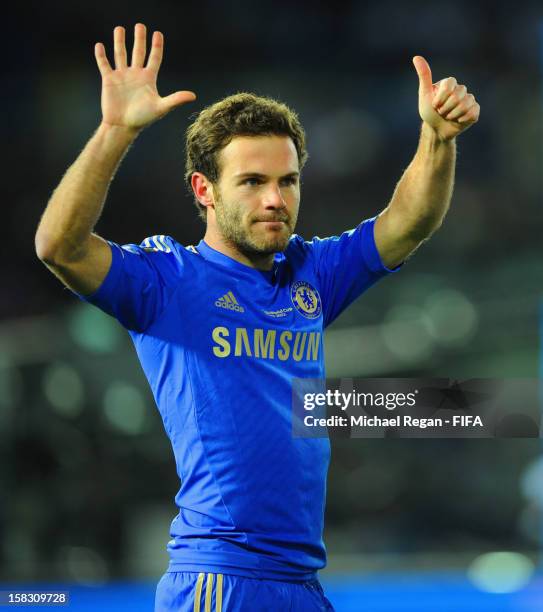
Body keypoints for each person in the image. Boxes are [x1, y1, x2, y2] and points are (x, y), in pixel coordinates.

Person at [35, 22, 479, 612]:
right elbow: (58, 246)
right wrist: (116, 131)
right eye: (252, 182)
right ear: (205, 190)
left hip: (301, 582)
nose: (275, 199)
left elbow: (408, 222)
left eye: (287, 181)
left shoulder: (311, 274)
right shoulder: (167, 282)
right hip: (222, 578)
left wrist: (437, 139)